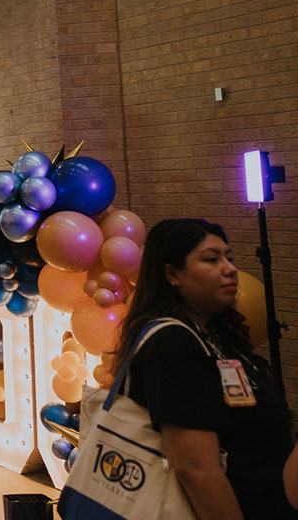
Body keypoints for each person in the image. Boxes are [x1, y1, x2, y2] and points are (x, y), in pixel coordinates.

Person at [114, 218, 297, 519]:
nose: (230, 268)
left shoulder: (211, 338)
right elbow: (197, 470)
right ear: (172, 274)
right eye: (211, 259)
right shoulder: (173, 343)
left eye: (229, 257)